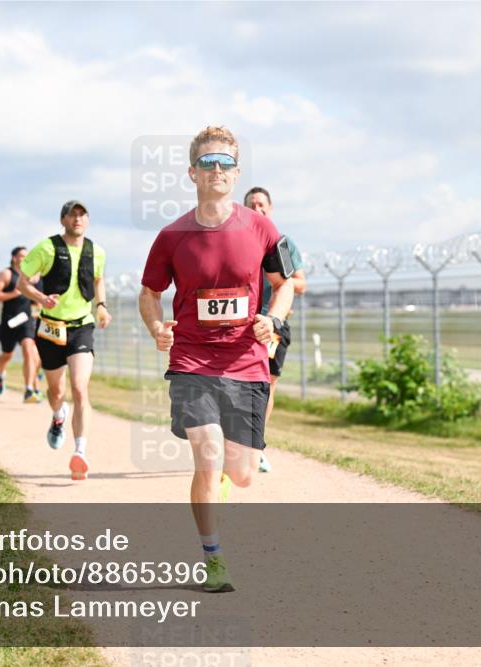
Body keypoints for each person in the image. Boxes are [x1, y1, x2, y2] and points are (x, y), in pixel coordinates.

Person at [138, 126, 294, 592]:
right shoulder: (172, 236)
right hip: (192, 360)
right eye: (208, 162)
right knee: (206, 456)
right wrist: (156, 326)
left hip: (246, 360)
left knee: (242, 475)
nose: (218, 170)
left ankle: (228, 475)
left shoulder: (261, 227)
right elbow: (149, 293)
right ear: (192, 172)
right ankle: (213, 558)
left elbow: (285, 284)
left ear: (237, 171)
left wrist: (273, 318)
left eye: (226, 162)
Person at [19, 200, 111, 481]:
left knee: (80, 387)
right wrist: (41, 298)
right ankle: (59, 414)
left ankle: (80, 452)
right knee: (56, 392)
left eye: (82, 215)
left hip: (81, 326)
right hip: (50, 328)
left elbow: (97, 280)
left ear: (88, 220)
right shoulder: (46, 248)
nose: (78, 219)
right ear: (63, 220)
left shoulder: (97, 251)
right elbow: (22, 283)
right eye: (72, 215)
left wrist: (102, 304)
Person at [244, 186, 307, 473]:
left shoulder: (283, 243)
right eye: (250, 206)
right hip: (240, 323)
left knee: (266, 387)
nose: (256, 210)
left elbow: (300, 283)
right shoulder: (237, 241)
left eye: (261, 205)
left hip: (273, 325)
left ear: (270, 209)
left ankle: (256, 446)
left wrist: (281, 291)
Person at [0, 246, 43, 403]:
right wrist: (13, 294)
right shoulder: (6, 274)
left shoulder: (31, 275)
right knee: (6, 354)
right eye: (22, 256)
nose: (25, 258)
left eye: (27, 256)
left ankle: (29, 389)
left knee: (29, 348)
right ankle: (1, 373)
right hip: (9, 321)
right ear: (14, 258)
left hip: (26, 319)